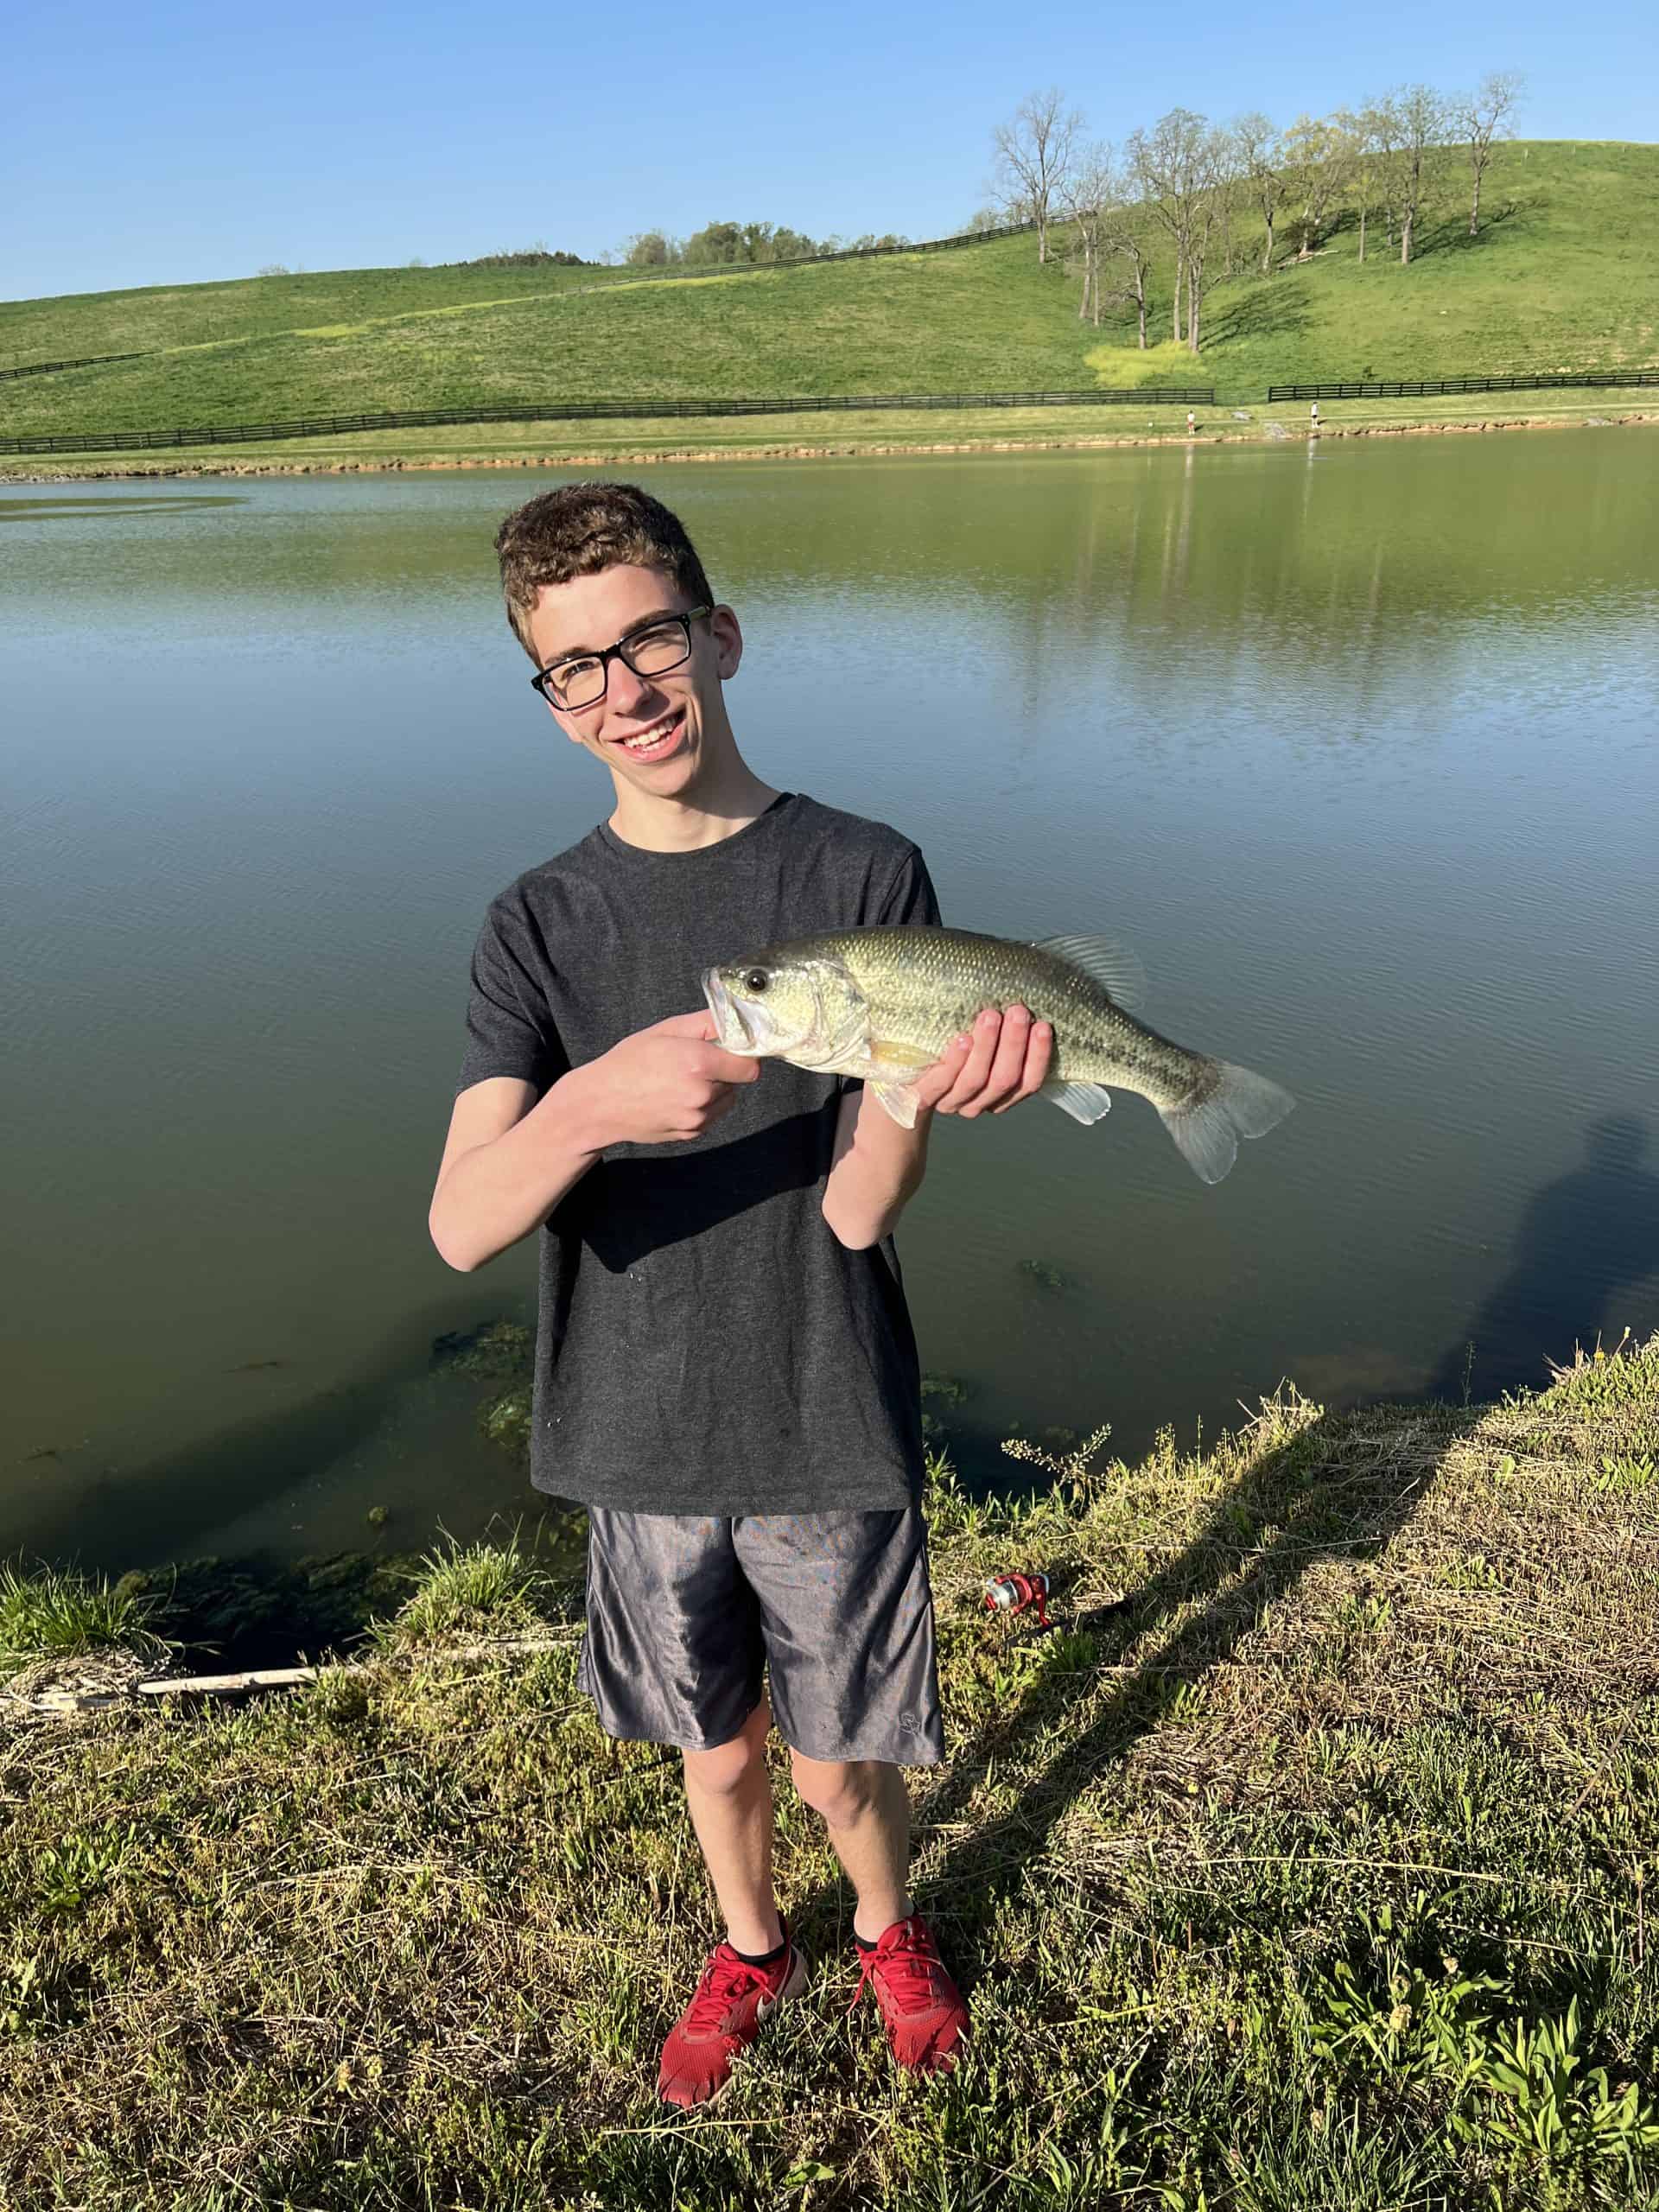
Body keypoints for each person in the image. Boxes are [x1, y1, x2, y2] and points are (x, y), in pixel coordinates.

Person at [428, 482, 1053, 2109]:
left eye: (649, 640)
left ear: (719, 635)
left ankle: (887, 1926)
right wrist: (589, 1105)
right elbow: (460, 1225)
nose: (625, 689)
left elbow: (856, 1209)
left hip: (822, 1403)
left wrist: (919, 1089)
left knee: (841, 1763)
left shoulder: (865, 867)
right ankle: (750, 1944)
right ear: (551, 702)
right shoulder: (535, 925)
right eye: (577, 666)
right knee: (715, 1752)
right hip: (633, 1430)